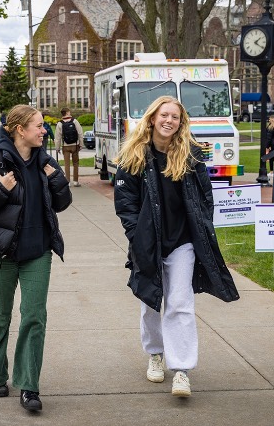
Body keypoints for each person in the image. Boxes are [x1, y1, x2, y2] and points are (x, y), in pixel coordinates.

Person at [113, 96, 240, 398]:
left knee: (180, 302)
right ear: (153, 118)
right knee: (151, 301)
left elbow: (205, 197)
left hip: (183, 242)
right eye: (164, 115)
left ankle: (181, 370)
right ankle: (155, 353)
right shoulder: (134, 156)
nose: (169, 121)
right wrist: (136, 233)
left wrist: (202, 229)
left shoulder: (190, 156)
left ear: (181, 123)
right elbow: (125, 202)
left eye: (176, 117)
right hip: (149, 242)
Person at [0, 104, 72, 412]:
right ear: (20, 130)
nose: (44, 130)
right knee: (0, 315)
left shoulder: (46, 162)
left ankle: (29, 386)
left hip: (37, 252)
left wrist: (56, 182)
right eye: (38, 125)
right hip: (1, 251)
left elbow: (63, 203)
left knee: (35, 316)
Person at [54, 107, 83, 187]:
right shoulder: (74, 121)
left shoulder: (60, 123)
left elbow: (58, 137)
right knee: (75, 163)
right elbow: (80, 133)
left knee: (67, 164)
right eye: (69, 112)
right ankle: (76, 181)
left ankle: (68, 182)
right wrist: (81, 144)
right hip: (75, 145)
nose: (70, 113)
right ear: (67, 113)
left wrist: (57, 148)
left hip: (65, 146)